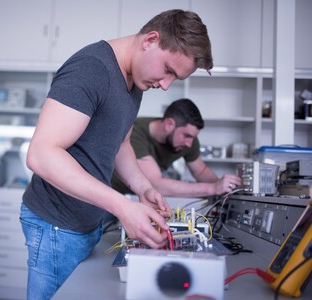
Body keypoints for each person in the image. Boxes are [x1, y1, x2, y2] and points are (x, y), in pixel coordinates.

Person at [20, 9, 213, 300]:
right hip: (56, 225)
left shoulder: (134, 83)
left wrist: (143, 187)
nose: (165, 85)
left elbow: (120, 144)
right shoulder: (92, 68)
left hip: (85, 222)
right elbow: (41, 154)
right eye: (168, 70)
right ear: (150, 40)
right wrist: (122, 207)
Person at [112, 98, 242, 198]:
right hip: (115, 194)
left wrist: (224, 188)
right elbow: (156, 184)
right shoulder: (135, 132)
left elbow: (200, 171)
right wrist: (212, 189)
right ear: (169, 124)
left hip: (141, 197)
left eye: (192, 137)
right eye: (187, 136)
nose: (189, 144)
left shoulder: (187, 140)